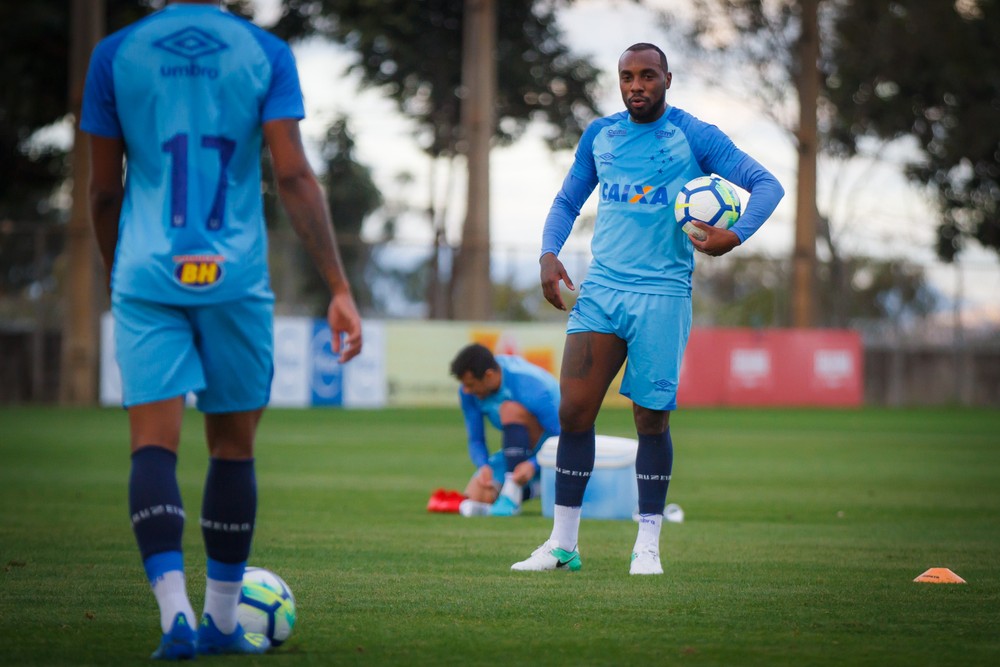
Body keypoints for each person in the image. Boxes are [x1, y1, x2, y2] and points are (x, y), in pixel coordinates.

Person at [81, 1, 362, 658]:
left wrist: (116, 269)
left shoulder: (114, 54)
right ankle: (224, 622)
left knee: (153, 446)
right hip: (234, 275)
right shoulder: (264, 53)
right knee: (233, 449)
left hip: (147, 273)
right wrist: (339, 287)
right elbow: (292, 174)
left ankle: (174, 615)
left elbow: (102, 189)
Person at [511, 43, 784, 575]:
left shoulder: (694, 135)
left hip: (662, 294)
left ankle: (647, 546)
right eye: (627, 77)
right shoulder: (601, 135)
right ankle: (562, 545)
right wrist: (549, 253)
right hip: (602, 290)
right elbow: (568, 200)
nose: (636, 85)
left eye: (647, 76)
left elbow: (766, 185)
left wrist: (735, 234)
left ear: (667, 79)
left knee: (650, 419)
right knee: (572, 413)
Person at [449, 344, 560, 517]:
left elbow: (564, 436)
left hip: (551, 450)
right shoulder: (467, 392)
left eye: (471, 384)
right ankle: (536, 489)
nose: (466, 390)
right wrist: (483, 465)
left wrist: (534, 464)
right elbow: (476, 439)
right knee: (478, 495)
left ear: (489, 375)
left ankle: (513, 492)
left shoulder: (529, 384)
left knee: (508, 409)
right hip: (518, 451)